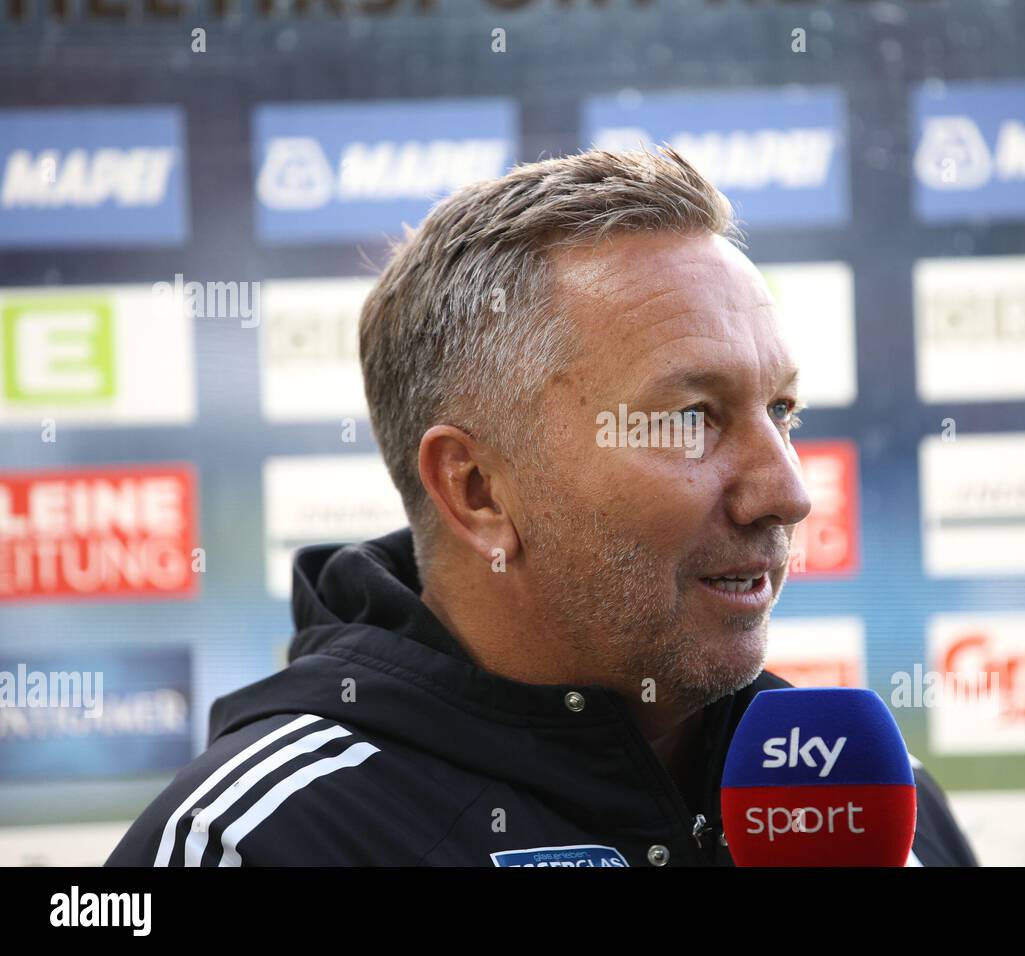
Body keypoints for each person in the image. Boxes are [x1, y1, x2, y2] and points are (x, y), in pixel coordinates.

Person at [106, 145, 977, 867]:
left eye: (782, 413)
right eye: (689, 420)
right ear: (478, 490)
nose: (788, 492)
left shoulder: (874, 802)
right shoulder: (255, 846)